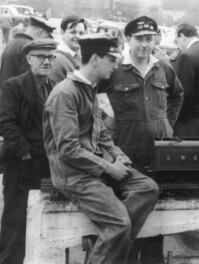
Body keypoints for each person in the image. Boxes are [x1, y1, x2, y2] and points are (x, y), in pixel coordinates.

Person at [43, 33, 159, 264]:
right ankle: (112, 240)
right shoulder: (66, 93)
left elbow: (101, 133)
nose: (115, 66)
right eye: (112, 60)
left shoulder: (88, 88)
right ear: (95, 58)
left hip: (93, 168)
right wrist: (108, 168)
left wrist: (118, 154)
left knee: (147, 188)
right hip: (73, 175)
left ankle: (107, 244)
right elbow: (68, 149)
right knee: (119, 224)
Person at [99, 15, 183, 264]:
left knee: (157, 211)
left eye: (150, 38)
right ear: (128, 39)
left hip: (159, 149)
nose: (145, 45)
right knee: (127, 207)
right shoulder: (114, 69)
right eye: (139, 39)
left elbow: (177, 95)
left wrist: (166, 123)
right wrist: (109, 126)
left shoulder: (164, 67)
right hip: (125, 149)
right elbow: (93, 100)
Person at [0, 39, 57, 264]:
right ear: (29, 59)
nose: (46, 61)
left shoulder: (54, 86)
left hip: (46, 165)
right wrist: (25, 153)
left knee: (41, 221)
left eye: (51, 57)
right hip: (21, 166)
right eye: (41, 56)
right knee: (15, 222)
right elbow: (5, 123)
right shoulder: (14, 86)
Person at [0, 16, 55, 87]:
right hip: (18, 95)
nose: (46, 40)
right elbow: (28, 81)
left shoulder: (13, 42)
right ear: (41, 33)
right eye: (46, 37)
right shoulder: (29, 47)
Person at [49, 15, 87, 83]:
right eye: (73, 32)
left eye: (81, 33)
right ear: (62, 33)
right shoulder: (57, 60)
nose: (78, 36)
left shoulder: (81, 55)